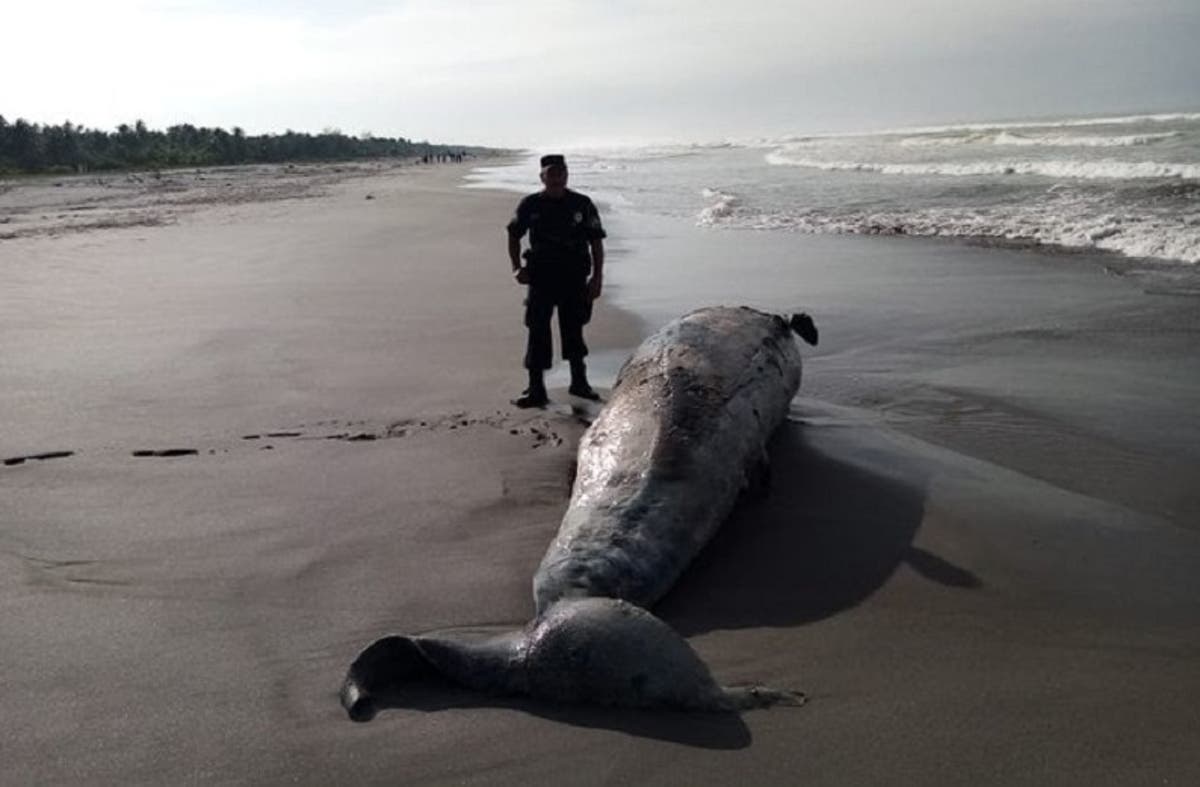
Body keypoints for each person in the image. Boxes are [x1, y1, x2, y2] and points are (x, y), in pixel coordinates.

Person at [506, 154, 606, 408]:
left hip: (574, 277)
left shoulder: (582, 204)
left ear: (567, 175)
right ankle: (536, 388)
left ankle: (579, 382)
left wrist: (597, 277)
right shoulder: (530, 204)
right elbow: (514, 234)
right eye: (552, 173)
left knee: (574, 329)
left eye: (562, 172)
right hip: (541, 278)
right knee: (537, 330)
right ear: (542, 177)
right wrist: (517, 267)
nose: (557, 177)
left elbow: (596, 241)